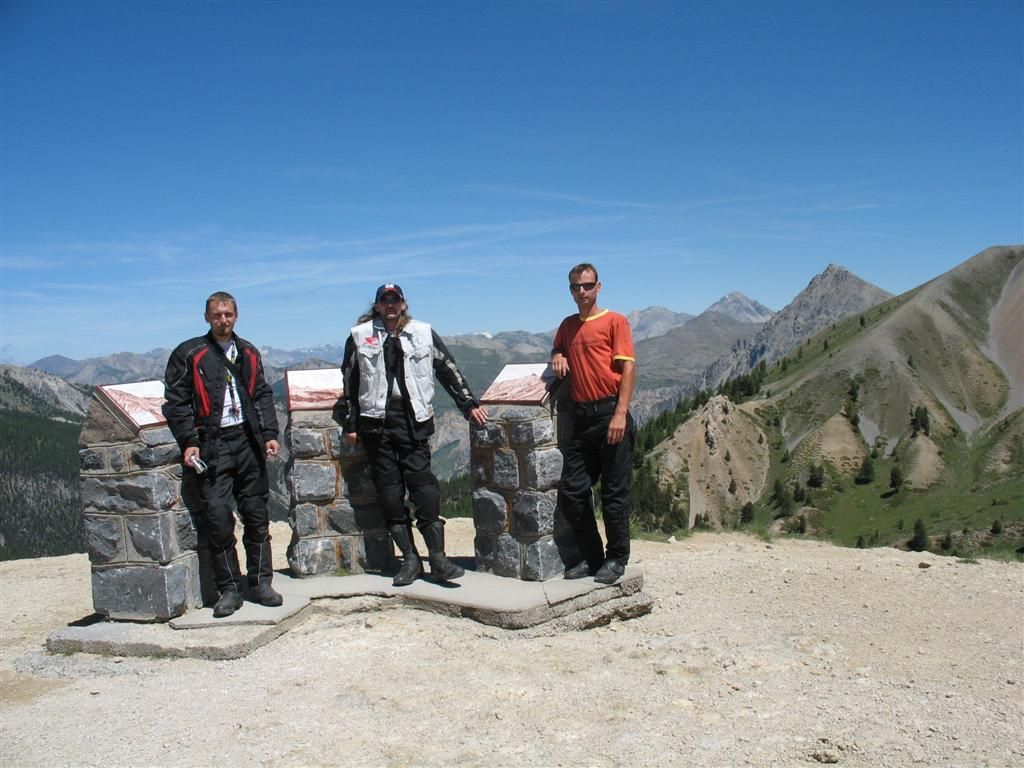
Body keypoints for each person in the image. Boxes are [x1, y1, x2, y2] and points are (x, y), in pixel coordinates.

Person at [342, 283, 488, 586]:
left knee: (425, 490)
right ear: (378, 305)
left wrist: (468, 404)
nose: (391, 305)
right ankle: (409, 559)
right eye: (385, 300)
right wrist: (351, 423)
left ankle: (438, 558)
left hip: (414, 419)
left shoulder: (422, 333)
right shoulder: (360, 336)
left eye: (395, 300)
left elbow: (448, 369)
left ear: (403, 304)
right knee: (390, 493)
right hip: (375, 421)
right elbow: (349, 381)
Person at [163, 291, 283, 617]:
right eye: (217, 315)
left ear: (236, 315)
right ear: (206, 317)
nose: (223, 320)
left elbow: (262, 394)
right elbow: (176, 402)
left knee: (256, 515)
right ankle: (229, 589)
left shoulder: (248, 353)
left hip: (248, 441)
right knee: (217, 517)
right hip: (212, 445)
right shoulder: (190, 354)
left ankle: (261, 583)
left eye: (228, 314)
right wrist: (189, 440)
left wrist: (270, 434)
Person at [551, 263, 636, 585]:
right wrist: (557, 355)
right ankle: (593, 558)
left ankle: (617, 559)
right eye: (575, 287)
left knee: (614, 495)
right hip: (583, 418)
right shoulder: (568, 325)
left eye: (587, 286)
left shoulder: (615, 321)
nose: (582, 292)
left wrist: (620, 414)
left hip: (609, 413)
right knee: (574, 491)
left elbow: (627, 369)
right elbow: (559, 346)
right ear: (571, 290)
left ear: (598, 287)